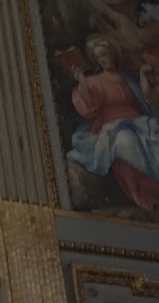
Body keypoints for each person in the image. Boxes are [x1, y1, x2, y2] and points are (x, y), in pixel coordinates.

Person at [67, 34, 159, 213]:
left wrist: (142, 74)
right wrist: (82, 82)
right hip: (113, 127)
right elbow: (88, 108)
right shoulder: (93, 81)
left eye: (104, 54)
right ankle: (147, 187)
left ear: (112, 53)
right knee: (125, 140)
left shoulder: (127, 79)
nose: (102, 59)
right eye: (98, 57)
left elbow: (145, 99)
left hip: (138, 123)